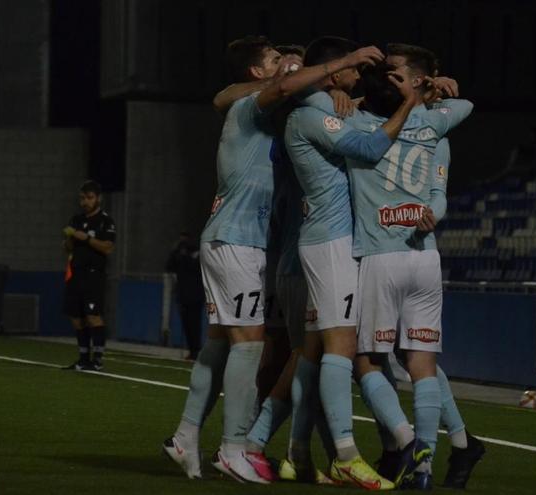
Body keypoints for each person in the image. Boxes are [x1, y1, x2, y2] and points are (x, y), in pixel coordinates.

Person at [162, 35, 385, 482]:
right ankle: (234, 447)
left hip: (237, 240)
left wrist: (331, 90)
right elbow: (253, 92)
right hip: (237, 241)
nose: (287, 64)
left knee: (221, 341)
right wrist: (340, 64)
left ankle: (186, 436)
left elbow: (285, 91)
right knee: (251, 342)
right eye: (275, 59)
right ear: (257, 73)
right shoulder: (249, 106)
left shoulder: (274, 115)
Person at [279, 36, 421, 490]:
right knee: (342, 350)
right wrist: (408, 106)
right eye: (352, 71)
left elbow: (352, 126)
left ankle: (296, 452)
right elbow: (367, 149)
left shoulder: (322, 107)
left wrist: (353, 99)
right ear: (333, 71)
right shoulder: (310, 113)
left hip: (329, 241)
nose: (358, 77)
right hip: (331, 243)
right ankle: (345, 454)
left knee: (318, 351)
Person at [337, 62, 472, 489]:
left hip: (382, 255)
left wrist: (353, 96)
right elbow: (464, 105)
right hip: (425, 259)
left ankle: (407, 439)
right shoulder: (433, 125)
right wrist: (430, 92)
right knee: (423, 364)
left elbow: (328, 111)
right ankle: (427, 465)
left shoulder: (358, 127)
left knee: (367, 360)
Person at [376, 42, 485, 489]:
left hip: (409, 248)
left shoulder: (434, 131)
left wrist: (431, 216)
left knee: (387, 353)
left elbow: (438, 192)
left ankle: (414, 447)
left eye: (396, 71)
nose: (389, 78)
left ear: (420, 78)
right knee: (400, 354)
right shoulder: (384, 116)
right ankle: (456, 444)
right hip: (378, 243)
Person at [61, 180, 115, 372]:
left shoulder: (105, 221)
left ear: (98, 198)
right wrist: (70, 238)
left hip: (94, 275)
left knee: (93, 316)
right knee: (76, 317)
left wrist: (88, 238)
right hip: (76, 274)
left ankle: (98, 359)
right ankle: (83, 358)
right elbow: (67, 248)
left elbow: (108, 248)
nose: (85, 202)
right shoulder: (76, 220)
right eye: (83, 198)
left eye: (89, 198)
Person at [165, 232, 204, 360]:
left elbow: (195, 268)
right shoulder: (179, 255)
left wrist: (185, 255)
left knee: (194, 324)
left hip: (196, 295)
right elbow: (169, 267)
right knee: (186, 324)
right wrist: (175, 251)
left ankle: (196, 350)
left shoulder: (198, 254)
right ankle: (191, 350)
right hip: (183, 294)